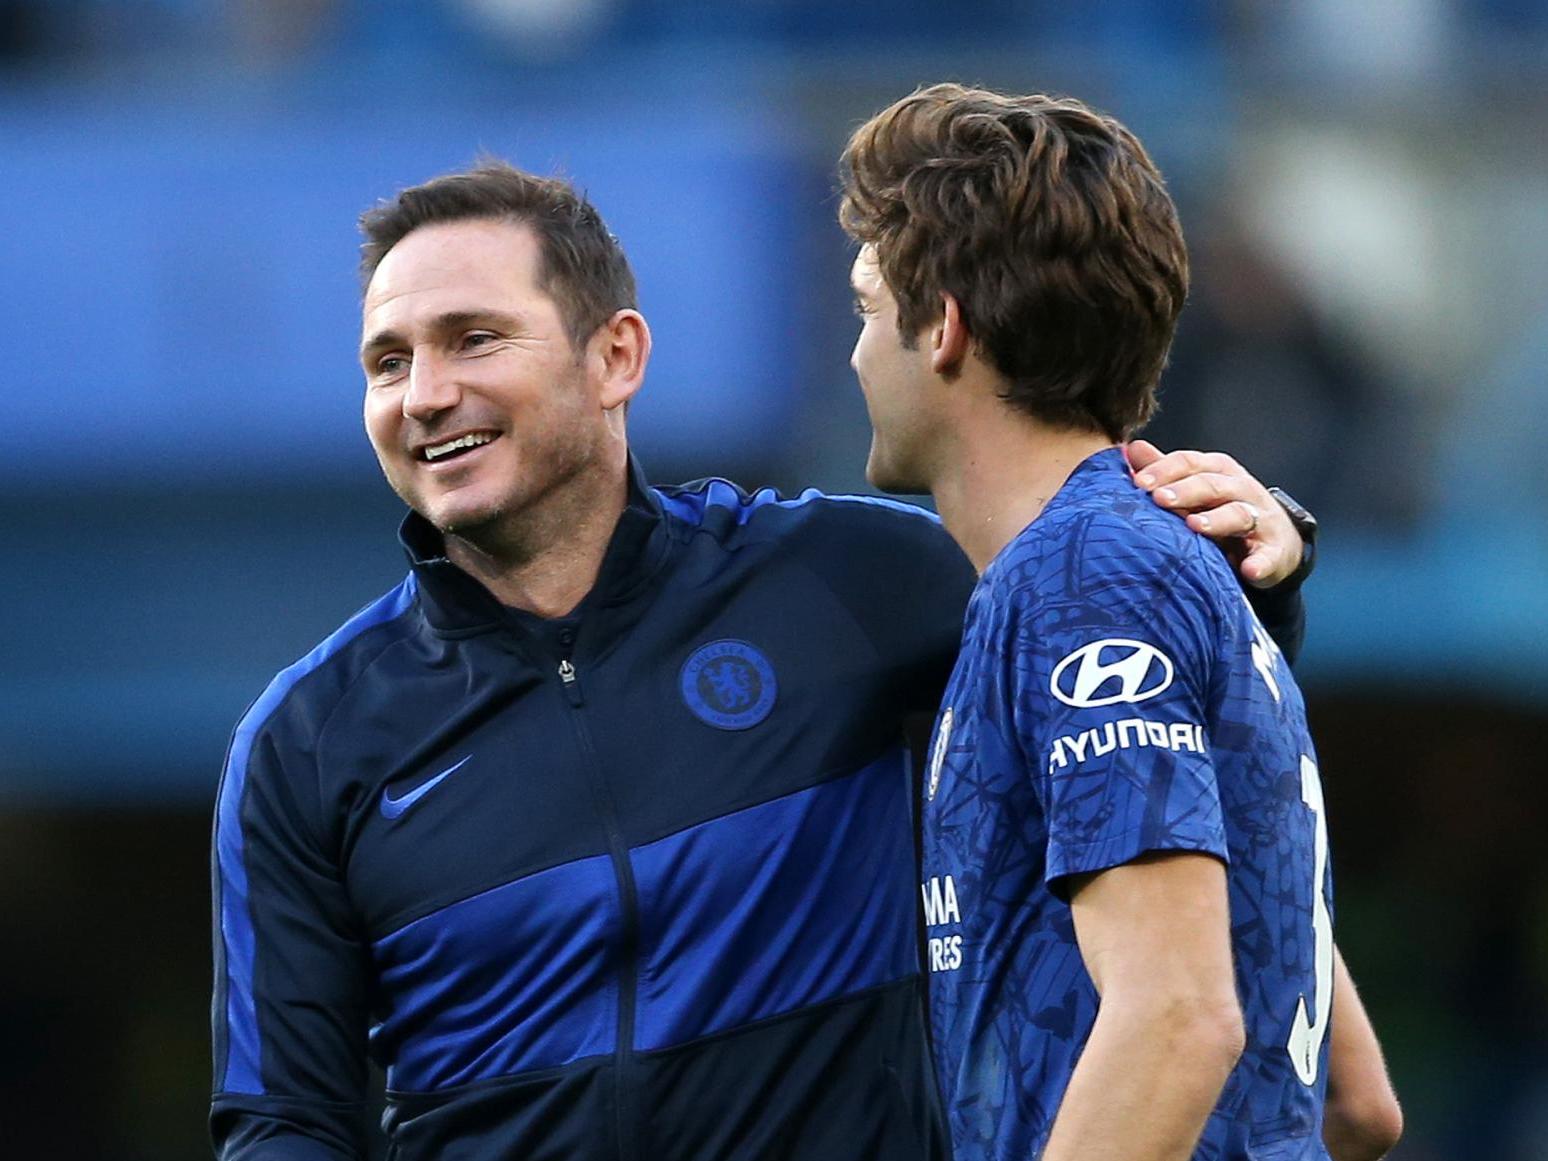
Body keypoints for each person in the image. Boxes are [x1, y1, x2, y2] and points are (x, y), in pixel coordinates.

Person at [210, 161, 1312, 1160]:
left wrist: (1265, 558)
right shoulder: (307, 743)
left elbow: (1149, 693)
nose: (424, 394)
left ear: (616, 357)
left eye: (473, 339)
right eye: (388, 362)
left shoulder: (852, 581)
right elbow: (282, 1122)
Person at [839, 84, 1403, 1161]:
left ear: (944, 327)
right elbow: (1359, 1104)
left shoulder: (1079, 577)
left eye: (867, 312)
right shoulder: (1167, 572)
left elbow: (1179, 1019)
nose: (858, 356)